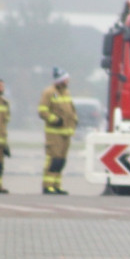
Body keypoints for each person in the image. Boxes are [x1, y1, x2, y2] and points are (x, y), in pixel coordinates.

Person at [38, 67, 77, 195]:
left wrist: (74, 120)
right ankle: (48, 186)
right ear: (60, 80)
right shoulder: (49, 92)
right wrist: (54, 119)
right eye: (66, 79)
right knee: (53, 159)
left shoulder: (66, 92)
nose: (68, 81)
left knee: (61, 161)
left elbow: (71, 109)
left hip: (66, 133)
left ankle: (56, 185)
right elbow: (42, 111)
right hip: (54, 133)